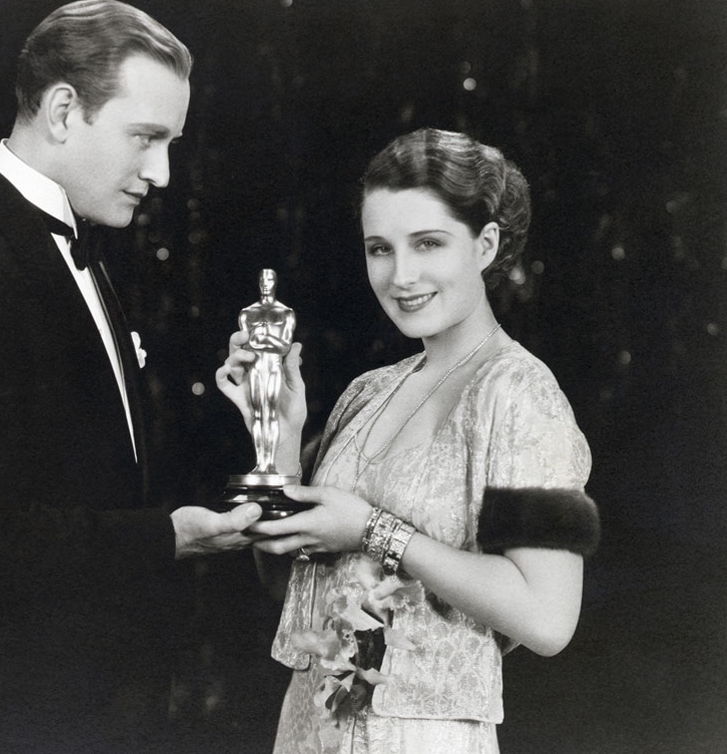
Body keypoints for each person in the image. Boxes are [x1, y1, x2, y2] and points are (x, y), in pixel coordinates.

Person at [0, 0, 262, 751]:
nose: (161, 172)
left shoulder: (64, 241)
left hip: (89, 701)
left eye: (171, 143)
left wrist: (236, 411)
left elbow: (91, 470)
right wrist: (167, 537)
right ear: (62, 110)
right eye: (147, 138)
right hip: (4, 713)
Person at [217, 128, 600, 753]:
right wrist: (280, 440)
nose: (401, 275)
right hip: (310, 731)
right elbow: (299, 580)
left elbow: (547, 618)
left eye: (427, 243)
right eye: (379, 249)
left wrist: (375, 529)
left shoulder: (519, 395)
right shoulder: (369, 392)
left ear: (485, 244)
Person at [238, 268, 297, 474]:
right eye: (262, 279)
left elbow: (284, 346)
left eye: (269, 279)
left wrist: (262, 339)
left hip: (272, 366)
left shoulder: (285, 313)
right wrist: (263, 341)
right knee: (257, 414)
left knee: (270, 413)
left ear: (275, 282)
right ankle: (260, 463)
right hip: (255, 367)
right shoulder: (248, 313)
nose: (265, 283)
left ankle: (270, 463)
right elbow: (245, 344)